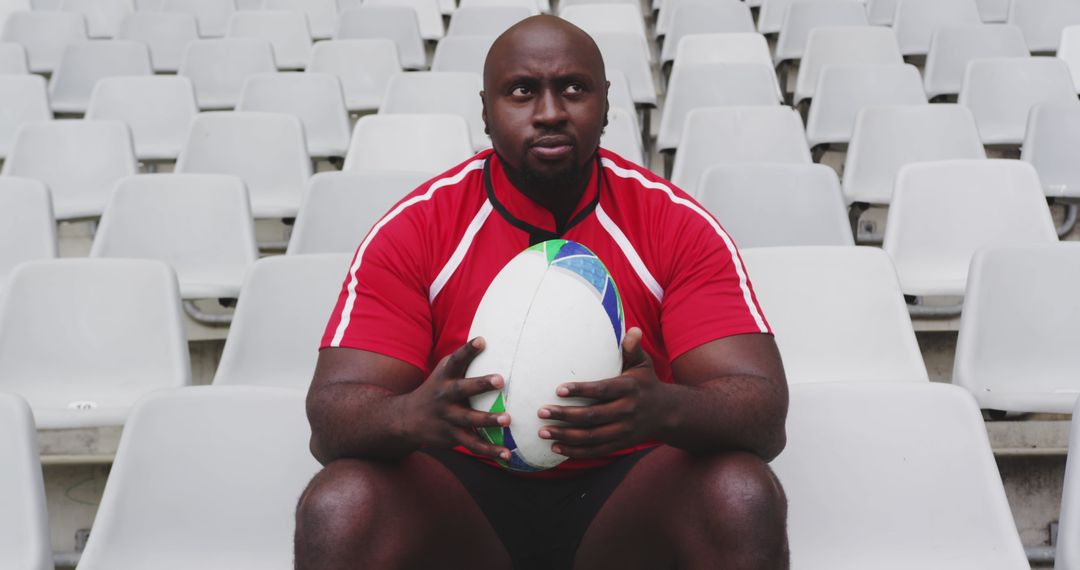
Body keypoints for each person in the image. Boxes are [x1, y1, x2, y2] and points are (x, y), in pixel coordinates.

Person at [295, 15, 789, 570]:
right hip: (465, 497)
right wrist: (411, 416)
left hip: (626, 497)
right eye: (522, 91)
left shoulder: (674, 224)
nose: (550, 112)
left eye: (573, 89)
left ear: (606, 104)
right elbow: (330, 419)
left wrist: (665, 408)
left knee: (742, 494)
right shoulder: (417, 228)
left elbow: (764, 415)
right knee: (340, 504)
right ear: (485, 110)